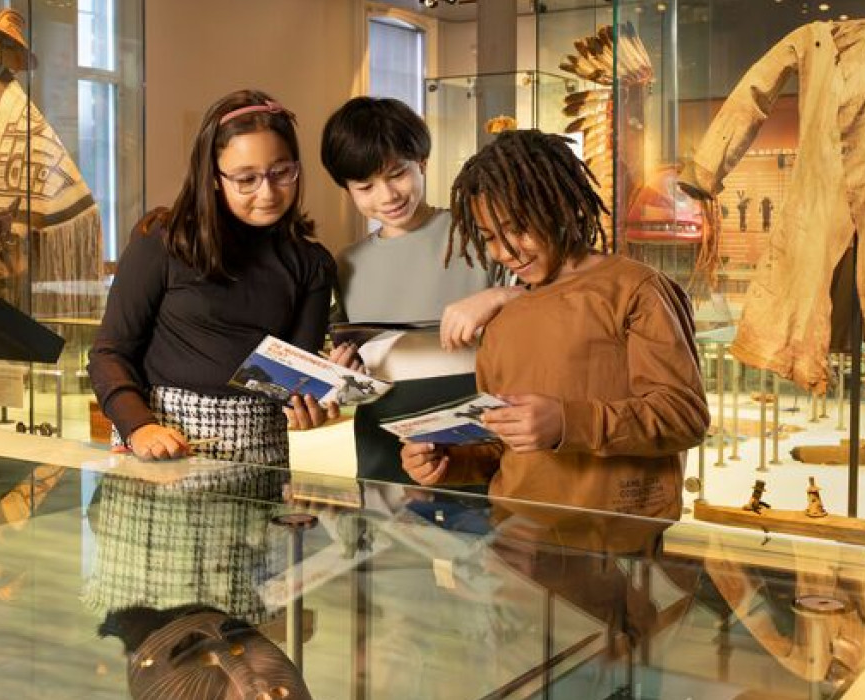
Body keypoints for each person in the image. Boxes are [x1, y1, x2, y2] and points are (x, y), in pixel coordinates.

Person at [399, 130, 709, 520]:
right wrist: (449, 460)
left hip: (614, 550)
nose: (505, 252)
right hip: (513, 547)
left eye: (518, 228)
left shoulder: (637, 290)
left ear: (563, 205)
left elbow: (684, 417)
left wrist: (568, 422)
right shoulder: (500, 317)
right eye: (490, 237)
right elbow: (502, 446)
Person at [88, 89, 339, 466]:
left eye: (281, 172)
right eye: (246, 179)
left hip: (260, 449)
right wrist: (138, 427)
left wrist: (309, 405)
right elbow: (109, 352)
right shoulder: (163, 241)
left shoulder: (313, 262)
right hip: (159, 436)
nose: (267, 192)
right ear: (215, 178)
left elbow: (291, 381)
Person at [317, 96, 519, 483]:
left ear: (422, 162)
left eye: (397, 174)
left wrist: (498, 296)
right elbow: (349, 367)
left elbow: (549, 305)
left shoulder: (479, 234)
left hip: (478, 439)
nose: (387, 196)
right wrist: (341, 373)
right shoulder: (346, 264)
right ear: (347, 189)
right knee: (387, 540)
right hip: (384, 440)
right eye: (366, 186)